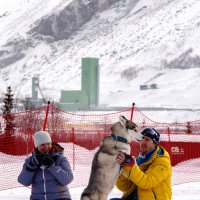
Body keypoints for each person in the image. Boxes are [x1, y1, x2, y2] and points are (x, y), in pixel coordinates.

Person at [111, 127, 172, 200]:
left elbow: (147, 182)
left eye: (147, 139)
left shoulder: (162, 162)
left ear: (154, 144)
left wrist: (130, 166)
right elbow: (124, 187)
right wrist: (120, 168)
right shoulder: (140, 160)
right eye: (141, 139)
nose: (143, 142)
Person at [18, 131, 73, 200]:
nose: (46, 147)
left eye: (48, 143)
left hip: (60, 197)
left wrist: (52, 166)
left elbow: (67, 179)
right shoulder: (30, 160)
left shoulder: (60, 158)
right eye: (42, 144)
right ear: (37, 146)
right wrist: (31, 167)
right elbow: (23, 181)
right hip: (38, 198)